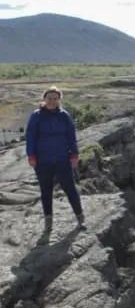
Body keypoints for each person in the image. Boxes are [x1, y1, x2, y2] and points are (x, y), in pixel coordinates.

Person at [26, 86, 86, 234]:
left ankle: (80, 219)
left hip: (62, 159)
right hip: (43, 161)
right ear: (44, 99)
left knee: (70, 189)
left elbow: (71, 137)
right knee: (46, 191)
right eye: (49, 98)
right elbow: (30, 137)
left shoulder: (64, 116)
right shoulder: (36, 115)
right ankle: (48, 223)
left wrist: (74, 155)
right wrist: (31, 155)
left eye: (55, 98)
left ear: (59, 100)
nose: (52, 101)